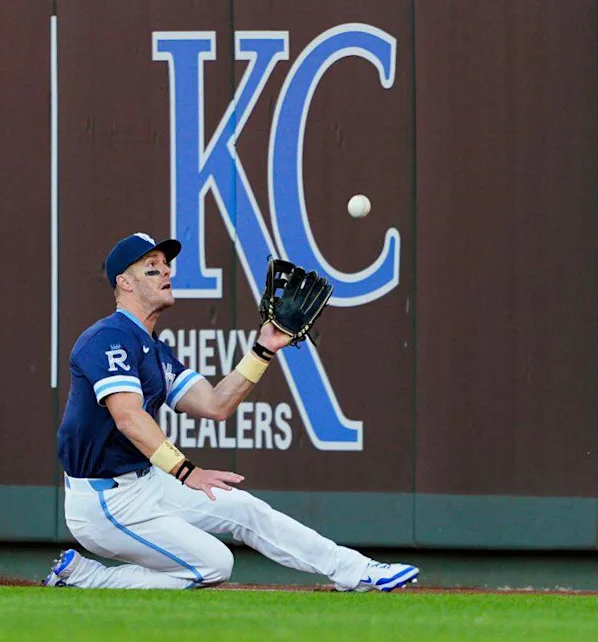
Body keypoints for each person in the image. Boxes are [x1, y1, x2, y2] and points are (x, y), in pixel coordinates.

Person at [44, 232, 419, 591]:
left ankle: (355, 570)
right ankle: (88, 577)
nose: (166, 272)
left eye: (166, 265)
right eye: (152, 267)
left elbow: (216, 404)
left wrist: (264, 348)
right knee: (215, 564)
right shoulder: (108, 338)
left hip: (145, 483)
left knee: (245, 509)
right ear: (125, 283)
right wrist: (186, 470)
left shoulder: (152, 348)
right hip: (104, 501)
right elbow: (128, 418)